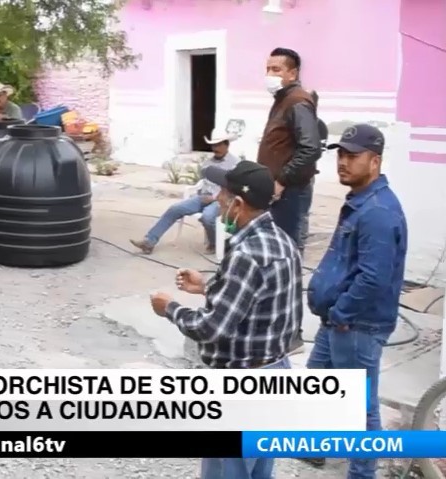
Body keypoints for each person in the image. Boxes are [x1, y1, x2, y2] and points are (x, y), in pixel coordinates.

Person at [150, 161, 302, 479]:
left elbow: (211, 329)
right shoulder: (283, 242)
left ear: (238, 204)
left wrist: (170, 308)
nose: (217, 200)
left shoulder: (247, 254)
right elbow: (261, 299)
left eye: (223, 193)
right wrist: (208, 287)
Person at [305, 124, 407, 478]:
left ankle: (362, 473)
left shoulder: (378, 211)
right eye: (340, 155)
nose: (343, 162)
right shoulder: (361, 201)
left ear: (375, 161)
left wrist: (342, 312)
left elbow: (374, 278)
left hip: (355, 324)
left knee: (360, 409)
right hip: (336, 320)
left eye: (352, 156)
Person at [258, 47, 321, 352]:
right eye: (268, 68)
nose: (270, 75)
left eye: (276, 69)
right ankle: (276, 324)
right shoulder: (283, 100)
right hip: (278, 194)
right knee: (275, 260)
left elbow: (310, 150)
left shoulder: (298, 101)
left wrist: (281, 180)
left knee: (288, 260)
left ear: (292, 73)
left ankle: (291, 333)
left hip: (290, 194)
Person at [130, 127, 240, 254]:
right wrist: (199, 196)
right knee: (174, 209)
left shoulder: (235, 164)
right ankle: (149, 242)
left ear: (227, 145)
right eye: (214, 145)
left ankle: (215, 244)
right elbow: (202, 181)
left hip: (220, 200)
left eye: (219, 145)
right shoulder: (207, 163)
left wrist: (215, 197)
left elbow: (234, 188)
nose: (216, 148)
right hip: (202, 197)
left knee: (207, 217)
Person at [297, 90, 329, 256]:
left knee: (302, 214)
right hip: (286, 176)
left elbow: (317, 152)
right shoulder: (292, 121)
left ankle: (299, 251)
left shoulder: (320, 126)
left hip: (306, 176)